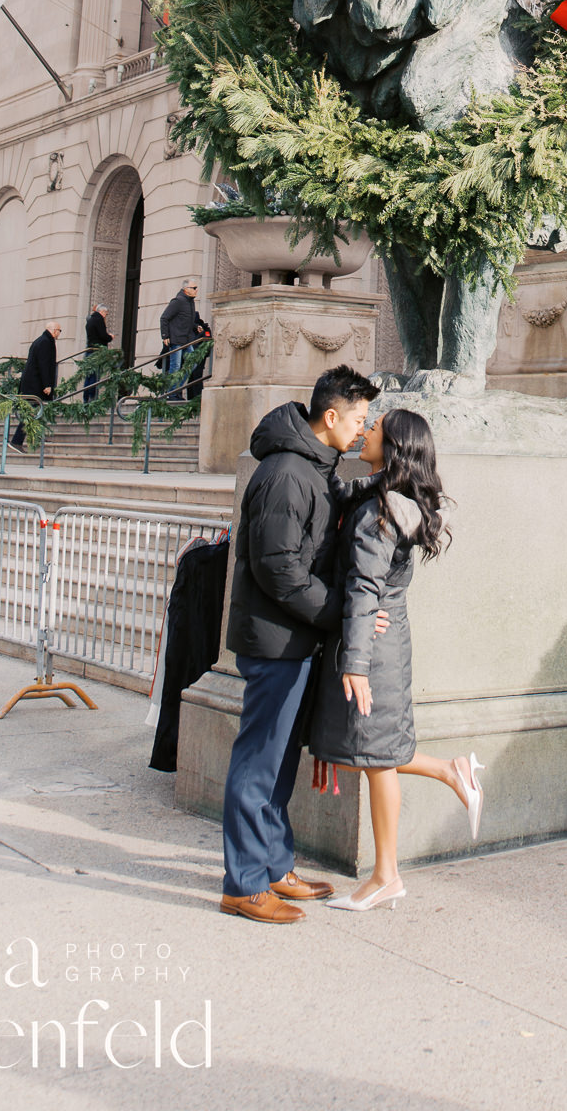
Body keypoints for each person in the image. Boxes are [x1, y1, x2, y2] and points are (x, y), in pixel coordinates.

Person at [219, 364, 385, 926]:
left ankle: (272, 865)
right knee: (259, 761)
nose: (363, 430)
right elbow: (278, 568)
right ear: (331, 416)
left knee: (280, 759)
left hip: (294, 637)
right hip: (275, 640)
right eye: (359, 420)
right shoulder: (289, 473)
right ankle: (243, 883)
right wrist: (342, 612)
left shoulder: (316, 466)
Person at [311, 407, 484, 911]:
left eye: (375, 427)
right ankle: (454, 773)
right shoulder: (386, 501)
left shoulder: (378, 513)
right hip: (385, 635)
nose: (365, 430)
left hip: (374, 643)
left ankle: (386, 875)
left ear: (393, 447)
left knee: (378, 758)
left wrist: (355, 662)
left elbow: (365, 587)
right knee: (378, 749)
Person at [10, 321, 60, 450]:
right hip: (35, 385)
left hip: (33, 384)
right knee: (31, 412)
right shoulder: (45, 342)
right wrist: (47, 384)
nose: (59, 333)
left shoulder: (41, 340)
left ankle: (37, 436)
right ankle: (16, 441)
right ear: (54, 330)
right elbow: (44, 365)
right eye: (59, 330)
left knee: (37, 411)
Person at [159, 279, 201, 396]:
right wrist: (165, 335)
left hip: (186, 339)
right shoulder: (178, 301)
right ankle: (172, 393)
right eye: (194, 288)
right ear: (186, 290)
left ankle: (176, 389)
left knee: (193, 363)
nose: (196, 290)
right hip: (176, 339)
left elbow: (186, 319)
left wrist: (195, 326)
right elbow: (164, 318)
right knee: (175, 366)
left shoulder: (190, 302)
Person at [83, 303, 112, 410]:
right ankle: (91, 398)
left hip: (90, 350)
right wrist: (110, 337)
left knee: (89, 376)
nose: (106, 316)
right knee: (94, 376)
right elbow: (103, 336)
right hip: (97, 351)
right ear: (102, 311)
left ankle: (86, 398)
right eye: (106, 313)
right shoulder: (99, 320)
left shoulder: (90, 320)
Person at [186, 316, 212, 403]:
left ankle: (197, 398)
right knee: (192, 379)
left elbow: (207, 343)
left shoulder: (203, 329)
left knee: (196, 378)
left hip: (199, 357)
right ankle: (192, 398)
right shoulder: (192, 328)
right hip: (192, 356)